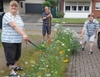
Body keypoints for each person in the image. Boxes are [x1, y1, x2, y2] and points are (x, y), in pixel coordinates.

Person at [1, 0, 28, 76]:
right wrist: (23, 34)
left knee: (17, 55)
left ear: (17, 8)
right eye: (12, 5)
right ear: (9, 7)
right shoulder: (7, 15)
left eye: (15, 6)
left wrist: (25, 36)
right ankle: (12, 72)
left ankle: (15, 67)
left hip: (17, 40)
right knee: (11, 56)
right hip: (8, 40)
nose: (14, 7)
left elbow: (22, 27)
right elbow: (14, 26)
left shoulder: (19, 17)